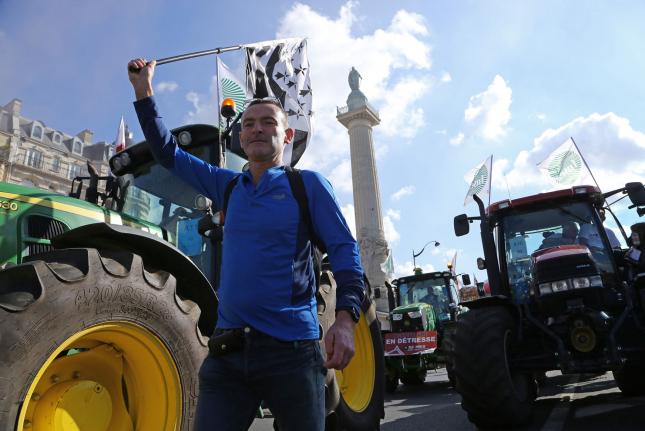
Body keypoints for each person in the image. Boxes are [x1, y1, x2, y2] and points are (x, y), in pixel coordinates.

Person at [127, 59, 365, 431]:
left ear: (287, 136)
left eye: (268, 123)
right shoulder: (229, 187)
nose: (257, 130)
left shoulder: (308, 186)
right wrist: (144, 92)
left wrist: (346, 319)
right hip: (228, 355)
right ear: (241, 138)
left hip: (292, 354)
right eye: (249, 124)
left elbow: (344, 251)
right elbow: (169, 154)